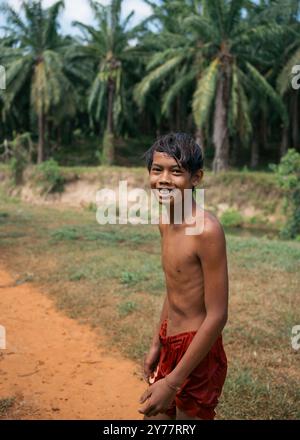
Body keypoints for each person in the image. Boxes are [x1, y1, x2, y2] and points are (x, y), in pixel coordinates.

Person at [138, 133, 228, 420]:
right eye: (157, 169)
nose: (164, 179)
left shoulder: (206, 230)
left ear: (196, 178)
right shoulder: (165, 221)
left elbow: (217, 315)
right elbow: (174, 288)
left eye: (176, 171)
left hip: (198, 351)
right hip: (169, 343)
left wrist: (174, 381)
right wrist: (157, 343)